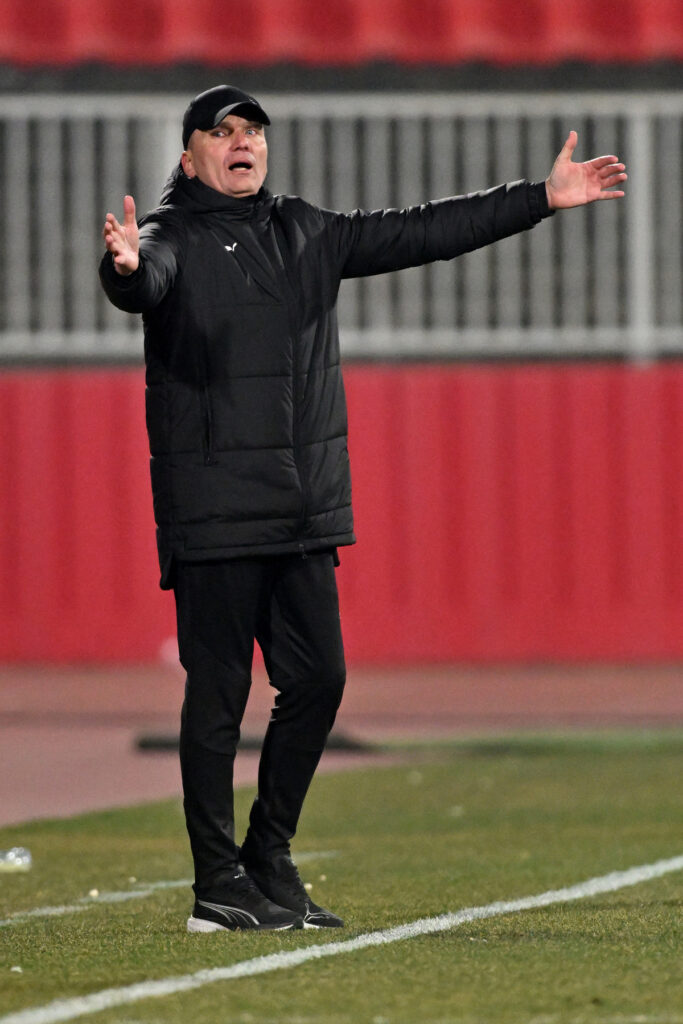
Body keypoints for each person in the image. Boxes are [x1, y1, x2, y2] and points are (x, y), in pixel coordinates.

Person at [100, 84, 627, 933]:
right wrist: (122, 270)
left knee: (318, 680)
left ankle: (268, 857)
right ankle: (215, 883)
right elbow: (143, 279)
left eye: (254, 132)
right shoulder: (169, 238)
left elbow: (418, 230)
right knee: (220, 693)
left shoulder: (304, 230)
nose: (244, 144)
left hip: (301, 509)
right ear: (191, 152)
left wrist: (537, 200)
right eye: (223, 132)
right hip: (216, 509)